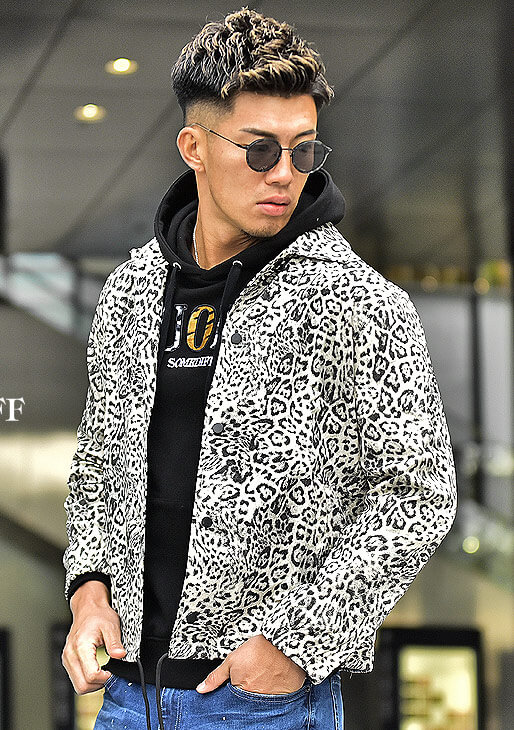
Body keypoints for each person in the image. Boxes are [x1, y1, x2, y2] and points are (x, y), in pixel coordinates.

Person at [61, 8, 458, 730]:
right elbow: (97, 468)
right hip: (126, 699)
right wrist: (89, 590)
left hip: (261, 706)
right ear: (194, 147)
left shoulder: (355, 302)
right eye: (260, 150)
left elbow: (419, 493)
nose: (284, 174)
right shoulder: (130, 292)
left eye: (304, 152)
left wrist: (296, 644)